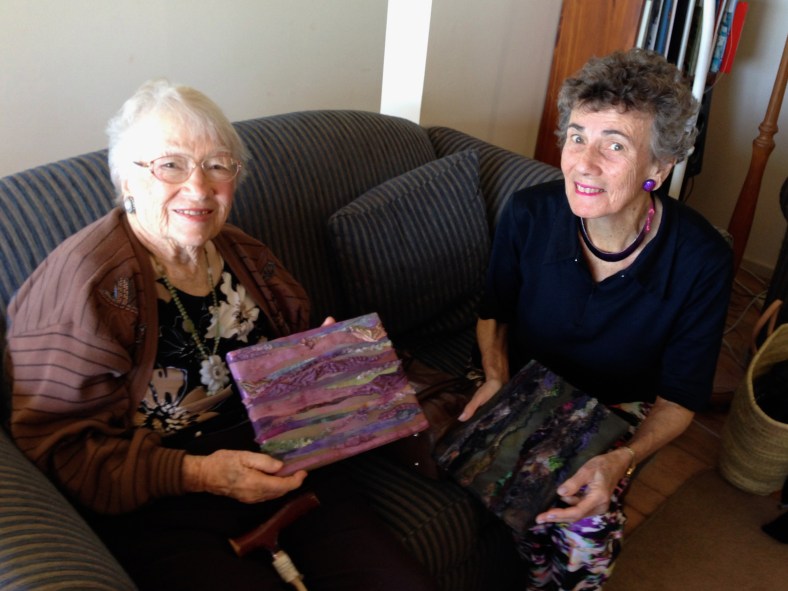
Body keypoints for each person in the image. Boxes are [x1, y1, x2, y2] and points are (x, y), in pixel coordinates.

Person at [5, 79, 436, 591]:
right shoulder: (87, 286)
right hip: (164, 494)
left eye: (217, 165)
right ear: (126, 180)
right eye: (171, 164)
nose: (199, 187)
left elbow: (297, 353)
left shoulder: (244, 254)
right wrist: (200, 474)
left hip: (285, 461)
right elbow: (60, 450)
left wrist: (323, 365)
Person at [459, 48, 733, 589]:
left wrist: (625, 457)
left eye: (615, 144)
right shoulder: (528, 213)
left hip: (615, 405)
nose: (584, 162)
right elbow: (493, 313)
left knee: (585, 522)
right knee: (514, 493)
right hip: (523, 382)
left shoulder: (701, 259)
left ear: (659, 165)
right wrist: (494, 377)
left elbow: (680, 399)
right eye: (578, 136)